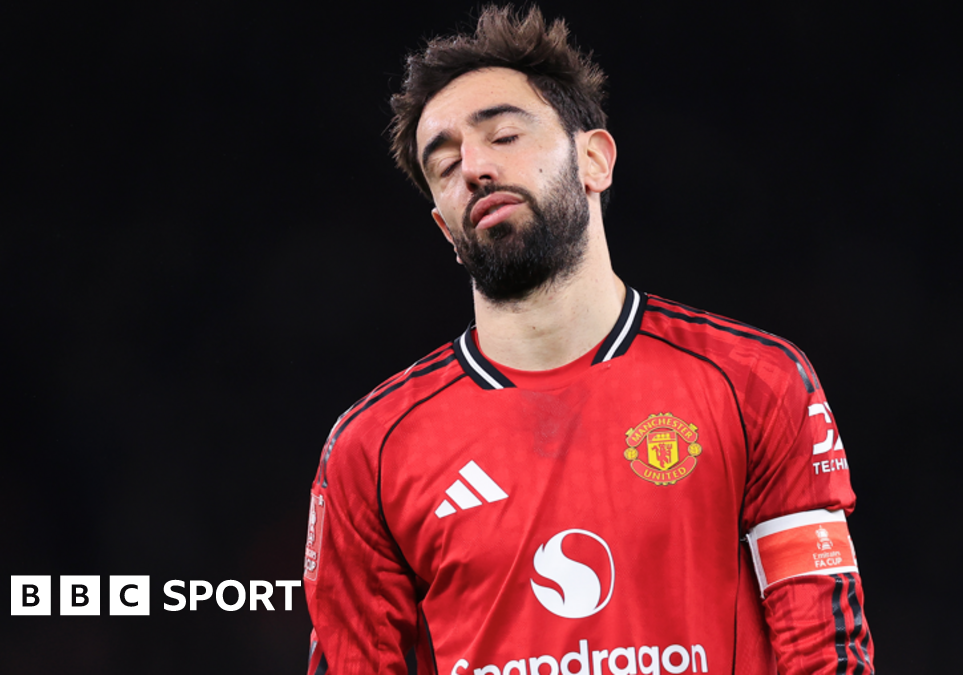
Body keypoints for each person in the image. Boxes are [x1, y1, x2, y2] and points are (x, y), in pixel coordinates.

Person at [303, 6, 873, 675]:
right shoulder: (370, 451)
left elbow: (824, 654)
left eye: (505, 135)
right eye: (446, 162)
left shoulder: (756, 382)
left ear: (595, 159)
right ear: (443, 227)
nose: (475, 167)